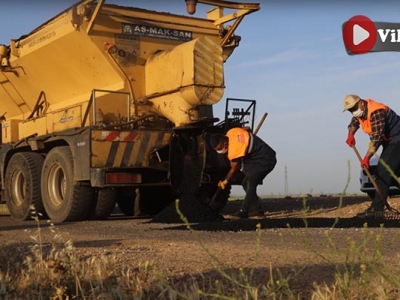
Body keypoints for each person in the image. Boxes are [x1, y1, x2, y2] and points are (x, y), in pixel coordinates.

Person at [343, 94, 400, 217]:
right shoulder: (360, 112)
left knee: (383, 170)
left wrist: (367, 158)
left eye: (354, 108)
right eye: (350, 110)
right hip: (390, 141)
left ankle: (377, 208)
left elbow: (376, 139)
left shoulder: (376, 112)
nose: (353, 112)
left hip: (397, 140)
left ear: (361, 103)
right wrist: (351, 134)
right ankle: (377, 206)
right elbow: (354, 123)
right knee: (394, 171)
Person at [209, 127, 277, 219]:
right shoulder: (232, 132)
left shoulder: (234, 150)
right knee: (245, 182)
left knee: (250, 182)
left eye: (220, 149)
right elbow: (247, 128)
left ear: (225, 144)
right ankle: (257, 212)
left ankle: (243, 212)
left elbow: (233, 169)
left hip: (266, 159)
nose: (220, 151)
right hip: (257, 157)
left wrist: (225, 181)